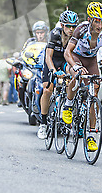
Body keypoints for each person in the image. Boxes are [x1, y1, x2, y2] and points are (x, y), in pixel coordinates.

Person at [63, 2, 102, 152]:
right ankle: (68, 105)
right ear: (90, 19)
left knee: (94, 95)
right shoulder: (81, 29)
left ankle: (91, 135)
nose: (99, 24)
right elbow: (67, 52)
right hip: (76, 57)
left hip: (91, 61)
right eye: (97, 20)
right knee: (77, 77)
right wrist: (76, 66)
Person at [37, 9, 78, 139]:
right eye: (68, 26)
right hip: (53, 60)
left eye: (73, 26)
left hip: (65, 60)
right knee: (47, 90)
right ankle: (43, 124)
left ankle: (66, 111)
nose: (71, 29)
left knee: (71, 81)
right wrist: (53, 71)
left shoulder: (76, 35)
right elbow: (48, 56)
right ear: (62, 25)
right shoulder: (55, 34)